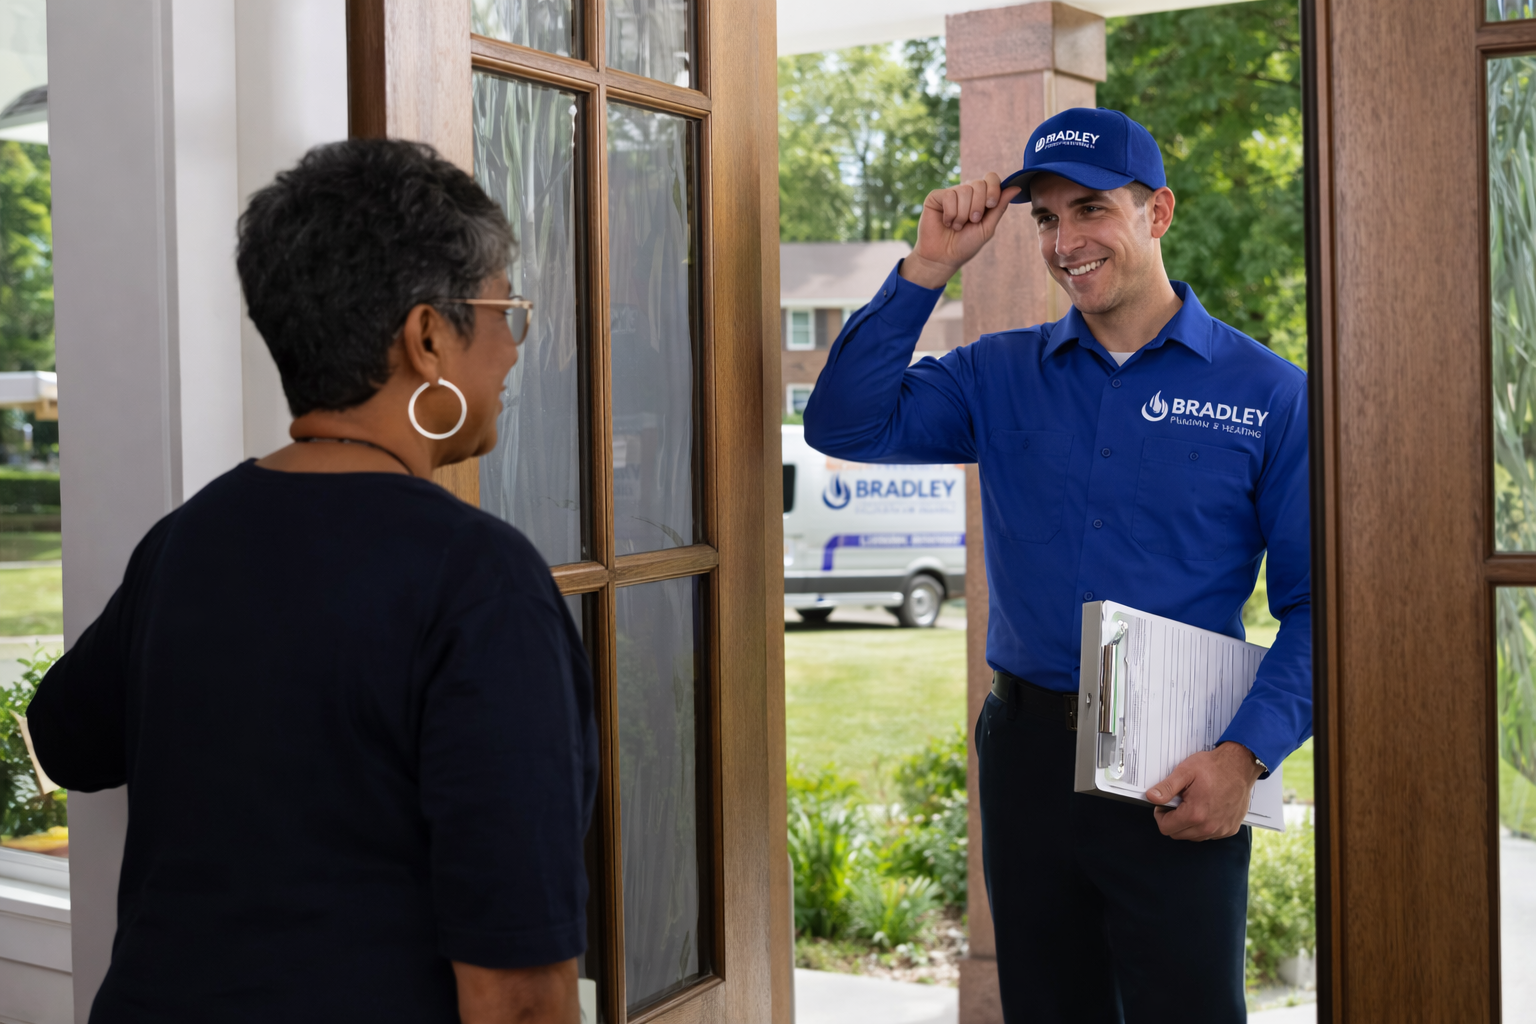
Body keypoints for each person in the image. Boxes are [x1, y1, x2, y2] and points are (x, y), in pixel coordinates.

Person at [26, 139, 596, 1024]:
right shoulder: (481, 582)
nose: (514, 352)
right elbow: (517, 994)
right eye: (504, 313)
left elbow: (66, 738)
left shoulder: (188, 539)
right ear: (428, 336)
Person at [803, 107, 1310, 1022]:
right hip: (1029, 756)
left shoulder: (1269, 394)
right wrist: (927, 269)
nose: (1066, 241)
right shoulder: (995, 376)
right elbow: (845, 423)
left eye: (1090, 210)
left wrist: (1245, 758)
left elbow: (1321, 609)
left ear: (1157, 213)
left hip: (1182, 761)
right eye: (1045, 218)